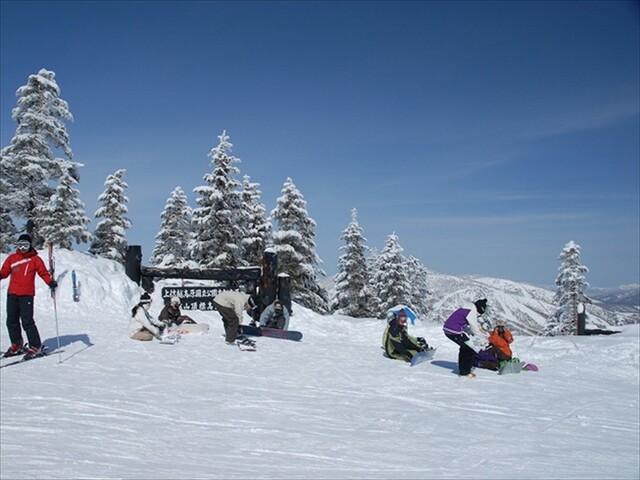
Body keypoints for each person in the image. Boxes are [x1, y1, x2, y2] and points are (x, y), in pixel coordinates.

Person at [0, 234, 58, 359]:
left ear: (30, 245)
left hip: (26, 295)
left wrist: (50, 282)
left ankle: (35, 345)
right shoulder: (12, 258)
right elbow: (4, 272)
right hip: (12, 294)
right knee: (11, 321)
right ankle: (17, 344)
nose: (22, 248)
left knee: (27, 322)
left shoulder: (35, 259)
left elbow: (43, 272)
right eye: (20, 245)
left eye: (25, 245)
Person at [443, 298, 488, 378]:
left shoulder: (467, 309)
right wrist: (483, 337)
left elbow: (465, 325)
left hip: (450, 329)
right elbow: (474, 328)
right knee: (469, 348)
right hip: (453, 331)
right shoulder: (471, 312)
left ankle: (464, 369)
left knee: (465, 348)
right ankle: (465, 372)